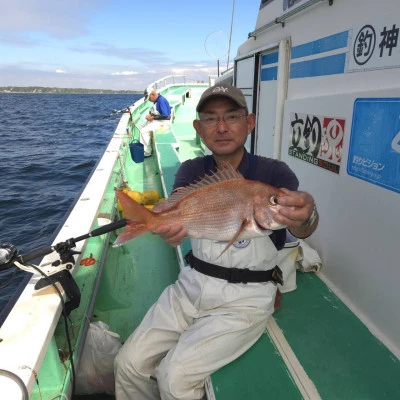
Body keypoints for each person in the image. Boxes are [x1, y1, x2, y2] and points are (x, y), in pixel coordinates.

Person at [114, 83, 319, 400]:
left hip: (244, 300)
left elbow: (300, 228)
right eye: (210, 118)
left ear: (249, 123)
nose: (222, 127)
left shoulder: (275, 173)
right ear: (198, 128)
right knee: (127, 364)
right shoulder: (190, 170)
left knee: (174, 380)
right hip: (191, 286)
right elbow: (180, 222)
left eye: (232, 116)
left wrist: (306, 214)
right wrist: (167, 228)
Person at [140, 87, 172, 156]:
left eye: (149, 98)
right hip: (159, 121)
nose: (149, 100)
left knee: (143, 130)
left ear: (153, 94)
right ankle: (147, 147)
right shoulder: (157, 100)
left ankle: (147, 153)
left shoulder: (161, 101)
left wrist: (152, 118)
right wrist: (152, 115)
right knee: (142, 126)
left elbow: (167, 116)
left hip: (163, 124)